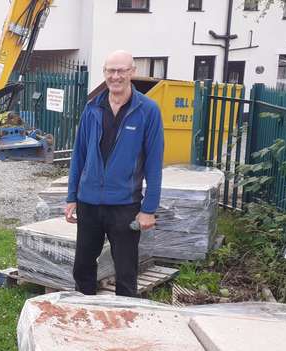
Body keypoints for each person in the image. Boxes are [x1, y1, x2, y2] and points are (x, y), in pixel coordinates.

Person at [64, 50, 164, 297]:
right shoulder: (92, 108)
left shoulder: (147, 111)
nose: (115, 76)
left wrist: (149, 208)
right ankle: (84, 314)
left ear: (132, 72)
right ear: (104, 73)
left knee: (126, 271)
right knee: (83, 266)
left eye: (121, 71)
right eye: (111, 71)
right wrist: (71, 197)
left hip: (125, 205)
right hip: (89, 203)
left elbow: (154, 163)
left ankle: (125, 321)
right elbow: (79, 155)